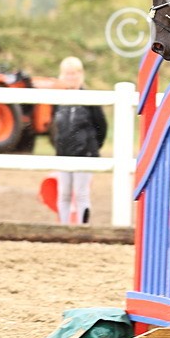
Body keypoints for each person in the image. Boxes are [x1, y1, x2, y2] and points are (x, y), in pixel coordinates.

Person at [52, 57, 107, 225]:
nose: (71, 77)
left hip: (84, 153)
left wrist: (92, 146)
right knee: (64, 193)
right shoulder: (59, 100)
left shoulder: (89, 99)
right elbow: (54, 126)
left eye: (74, 73)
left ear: (80, 74)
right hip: (63, 153)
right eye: (67, 74)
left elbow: (101, 126)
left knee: (81, 193)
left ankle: (84, 226)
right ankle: (63, 225)